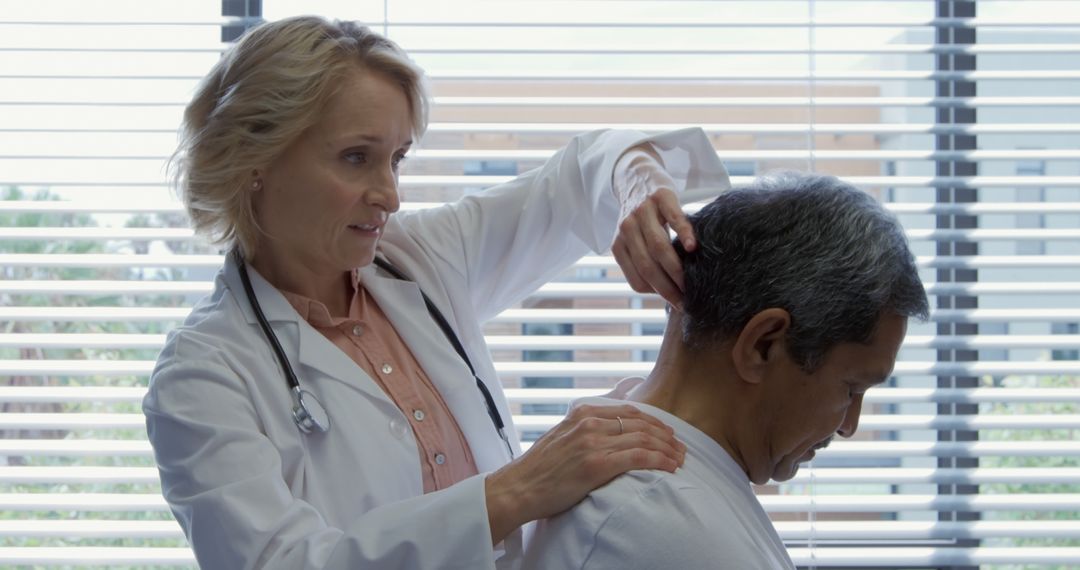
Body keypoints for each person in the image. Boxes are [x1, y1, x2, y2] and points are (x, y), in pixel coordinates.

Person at [142, 15, 730, 570]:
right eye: (356, 158)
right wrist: (519, 490)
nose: (390, 195)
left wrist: (637, 185)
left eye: (396, 160)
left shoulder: (419, 260)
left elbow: (579, 178)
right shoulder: (202, 374)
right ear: (253, 160)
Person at [522, 172, 930, 570]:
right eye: (851, 388)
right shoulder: (662, 525)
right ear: (762, 344)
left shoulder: (649, 466)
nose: (849, 425)